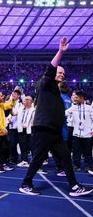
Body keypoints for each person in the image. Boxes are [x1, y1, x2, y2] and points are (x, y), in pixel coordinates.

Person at [19, 37, 93, 197]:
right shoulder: (45, 83)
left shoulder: (55, 91)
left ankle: (74, 186)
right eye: (59, 72)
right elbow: (50, 69)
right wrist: (60, 51)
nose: (62, 75)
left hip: (54, 131)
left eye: (63, 74)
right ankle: (26, 183)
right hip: (44, 129)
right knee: (38, 157)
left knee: (66, 156)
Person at [65, 91, 93, 173]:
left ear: (82, 98)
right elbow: (65, 113)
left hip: (87, 134)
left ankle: (88, 165)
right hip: (76, 133)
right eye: (75, 97)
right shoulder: (73, 108)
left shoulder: (89, 108)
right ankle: (76, 164)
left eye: (77, 98)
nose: (75, 99)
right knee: (76, 150)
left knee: (87, 151)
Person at [16, 96, 35, 168]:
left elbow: (34, 120)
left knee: (31, 146)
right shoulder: (21, 108)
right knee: (22, 145)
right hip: (21, 129)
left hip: (29, 130)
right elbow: (14, 113)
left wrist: (28, 124)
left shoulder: (33, 110)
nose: (24, 102)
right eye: (24, 100)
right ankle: (24, 160)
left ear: (29, 101)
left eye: (25, 100)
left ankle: (34, 162)